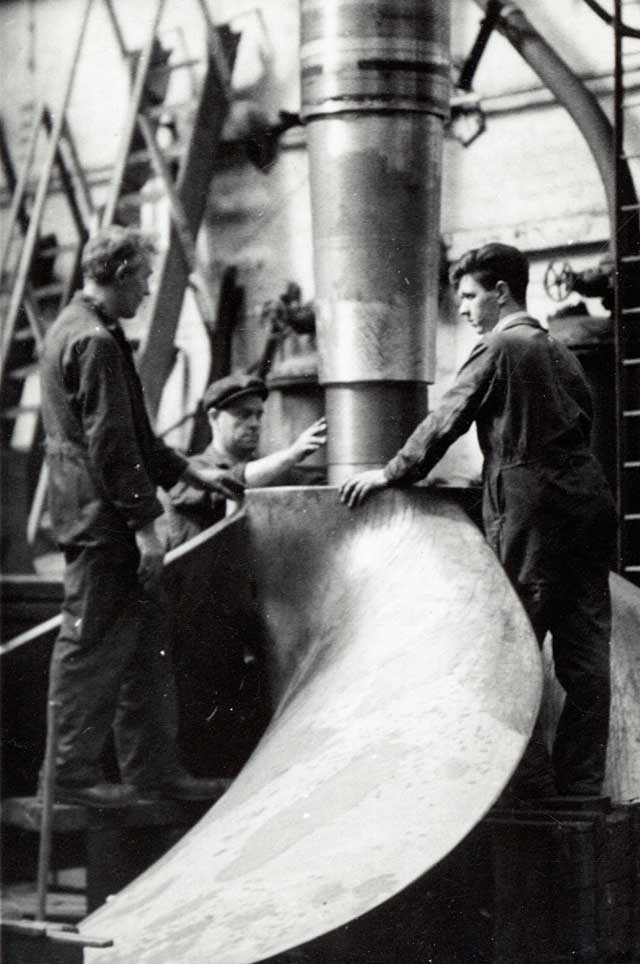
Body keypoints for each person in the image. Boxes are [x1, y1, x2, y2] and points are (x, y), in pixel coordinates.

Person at [340, 242, 616, 799]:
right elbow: (582, 427)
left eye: (469, 296)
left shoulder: (498, 346)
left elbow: (447, 418)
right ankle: (582, 787)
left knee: (510, 649)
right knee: (586, 661)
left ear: (500, 293)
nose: (463, 309)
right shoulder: (561, 352)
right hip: (587, 510)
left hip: (529, 513)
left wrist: (391, 473)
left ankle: (530, 787)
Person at [39, 226, 245, 808]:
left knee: (145, 646)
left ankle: (154, 770)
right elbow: (112, 449)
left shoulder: (84, 330)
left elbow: (136, 438)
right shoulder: (95, 343)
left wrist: (194, 474)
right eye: (147, 278)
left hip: (96, 512)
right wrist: (145, 526)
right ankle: (69, 778)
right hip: (101, 522)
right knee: (92, 646)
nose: (149, 290)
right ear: (123, 272)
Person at [164, 371, 327, 547]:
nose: (254, 424)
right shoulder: (189, 471)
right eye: (244, 414)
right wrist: (291, 455)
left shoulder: (277, 472)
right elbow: (229, 481)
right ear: (214, 417)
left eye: (258, 415)